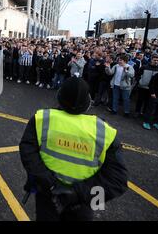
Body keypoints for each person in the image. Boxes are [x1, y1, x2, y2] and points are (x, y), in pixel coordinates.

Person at [19, 77, 128, 221]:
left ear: (59, 97)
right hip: (81, 203)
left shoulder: (42, 119)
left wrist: (51, 185)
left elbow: (28, 154)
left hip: (48, 195)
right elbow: (118, 180)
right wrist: (78, 194)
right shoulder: (104, 131)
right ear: (88, 102)